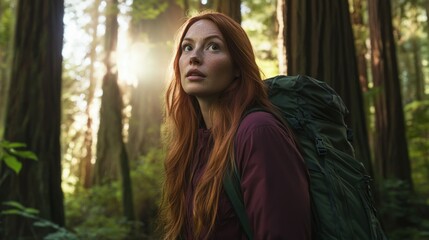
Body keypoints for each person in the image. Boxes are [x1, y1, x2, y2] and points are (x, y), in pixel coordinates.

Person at [160, 10, 311, 240]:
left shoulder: (258, 132)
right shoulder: (192, 143)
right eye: (187, 47)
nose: (194, 57)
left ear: (238, 68)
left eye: (213, 47)